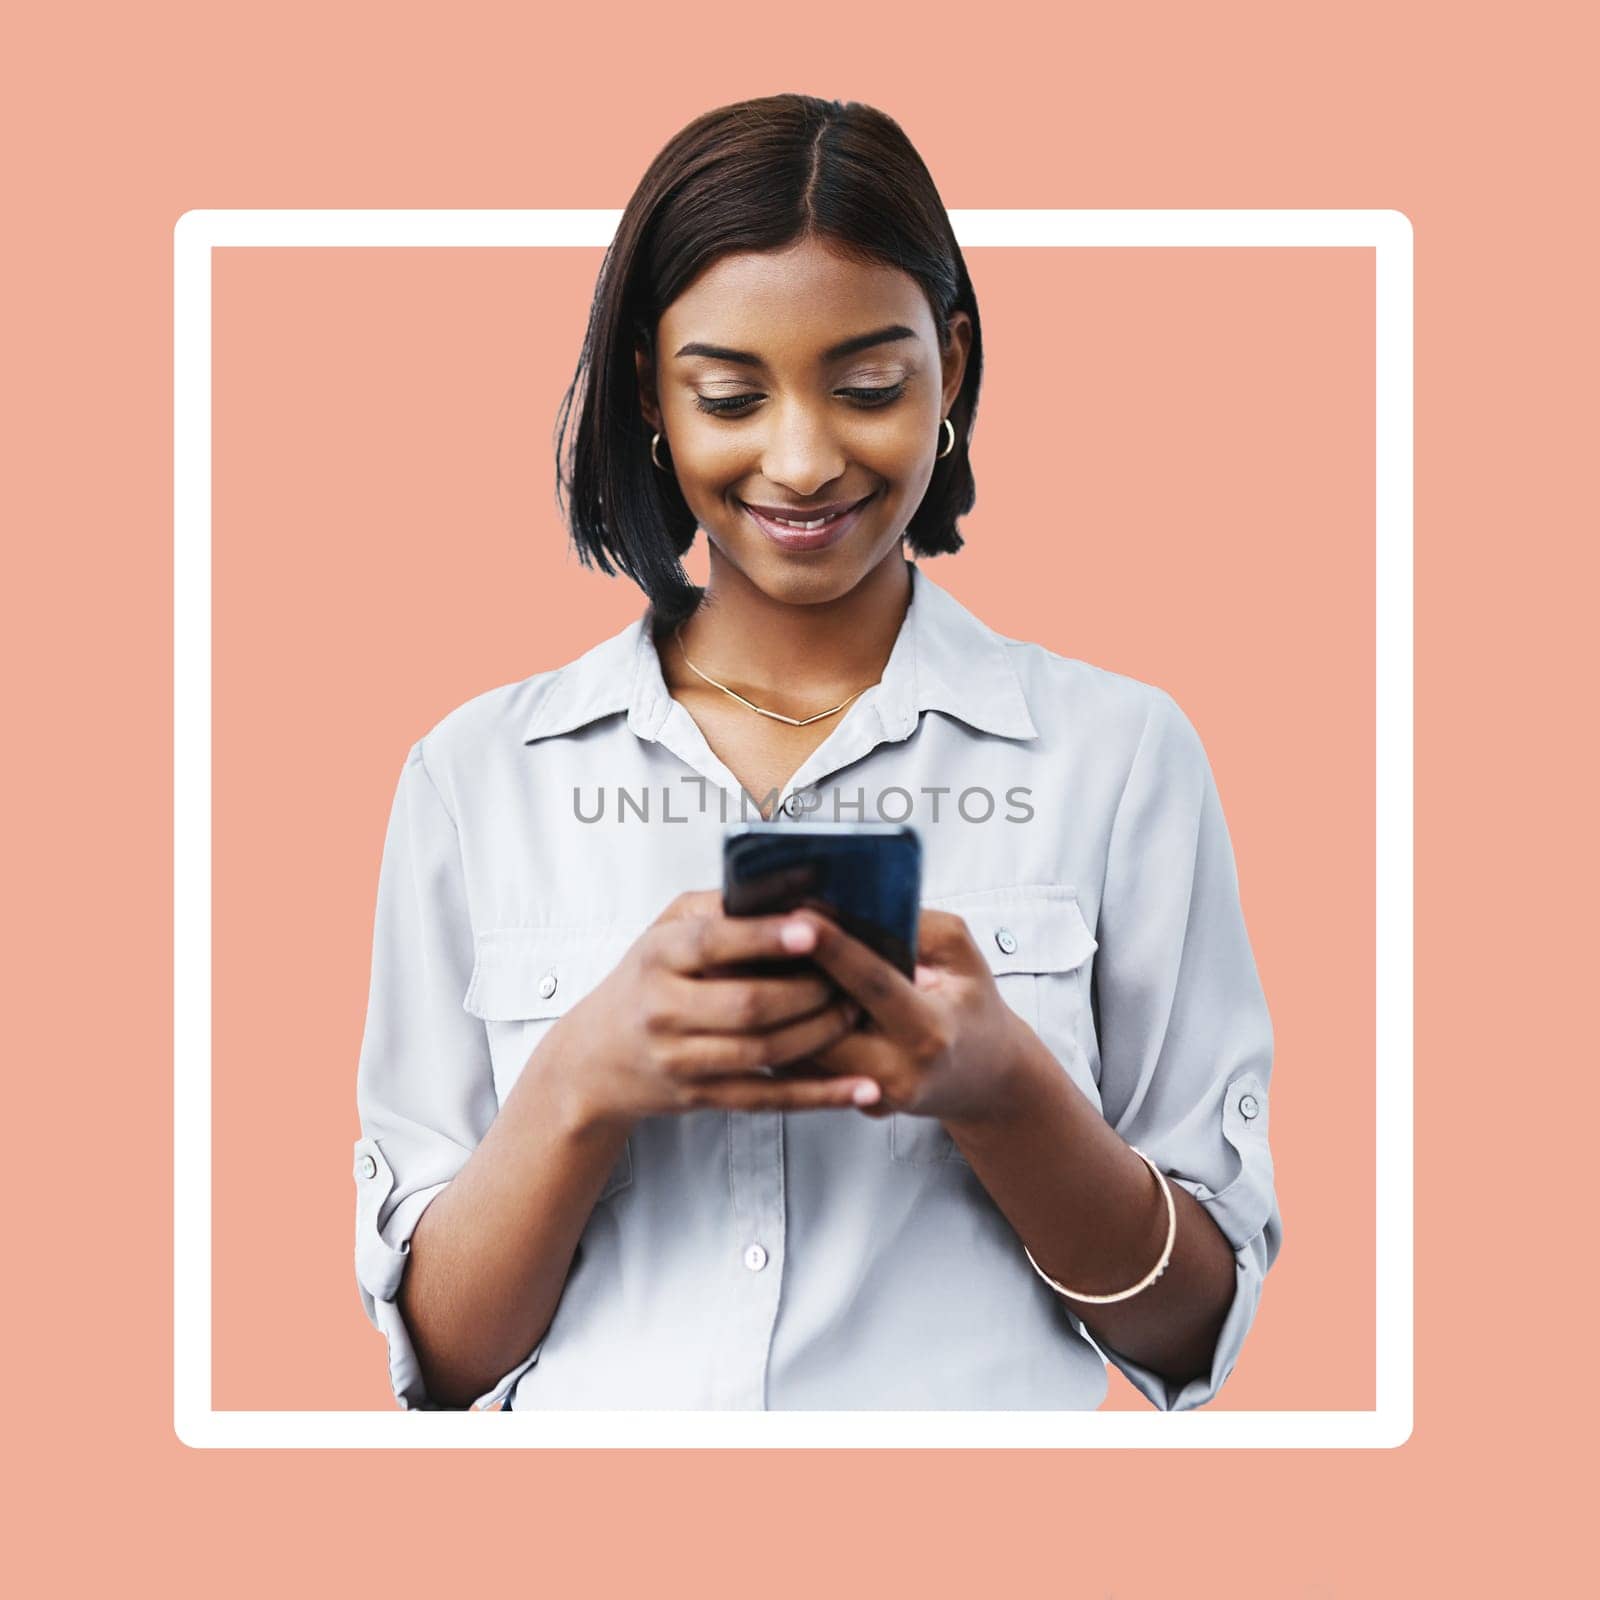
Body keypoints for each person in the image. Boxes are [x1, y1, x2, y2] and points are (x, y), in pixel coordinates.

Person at [352, 93, 1282, 1413]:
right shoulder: (474, 777)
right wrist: (581, 1079)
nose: (800, 460)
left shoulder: (1121, 758)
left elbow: (1195, 1335)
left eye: (867, 387)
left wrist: (1009, 1092)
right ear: (650, 396)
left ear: (948, 367)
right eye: (731, 393)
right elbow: (444, 1365)